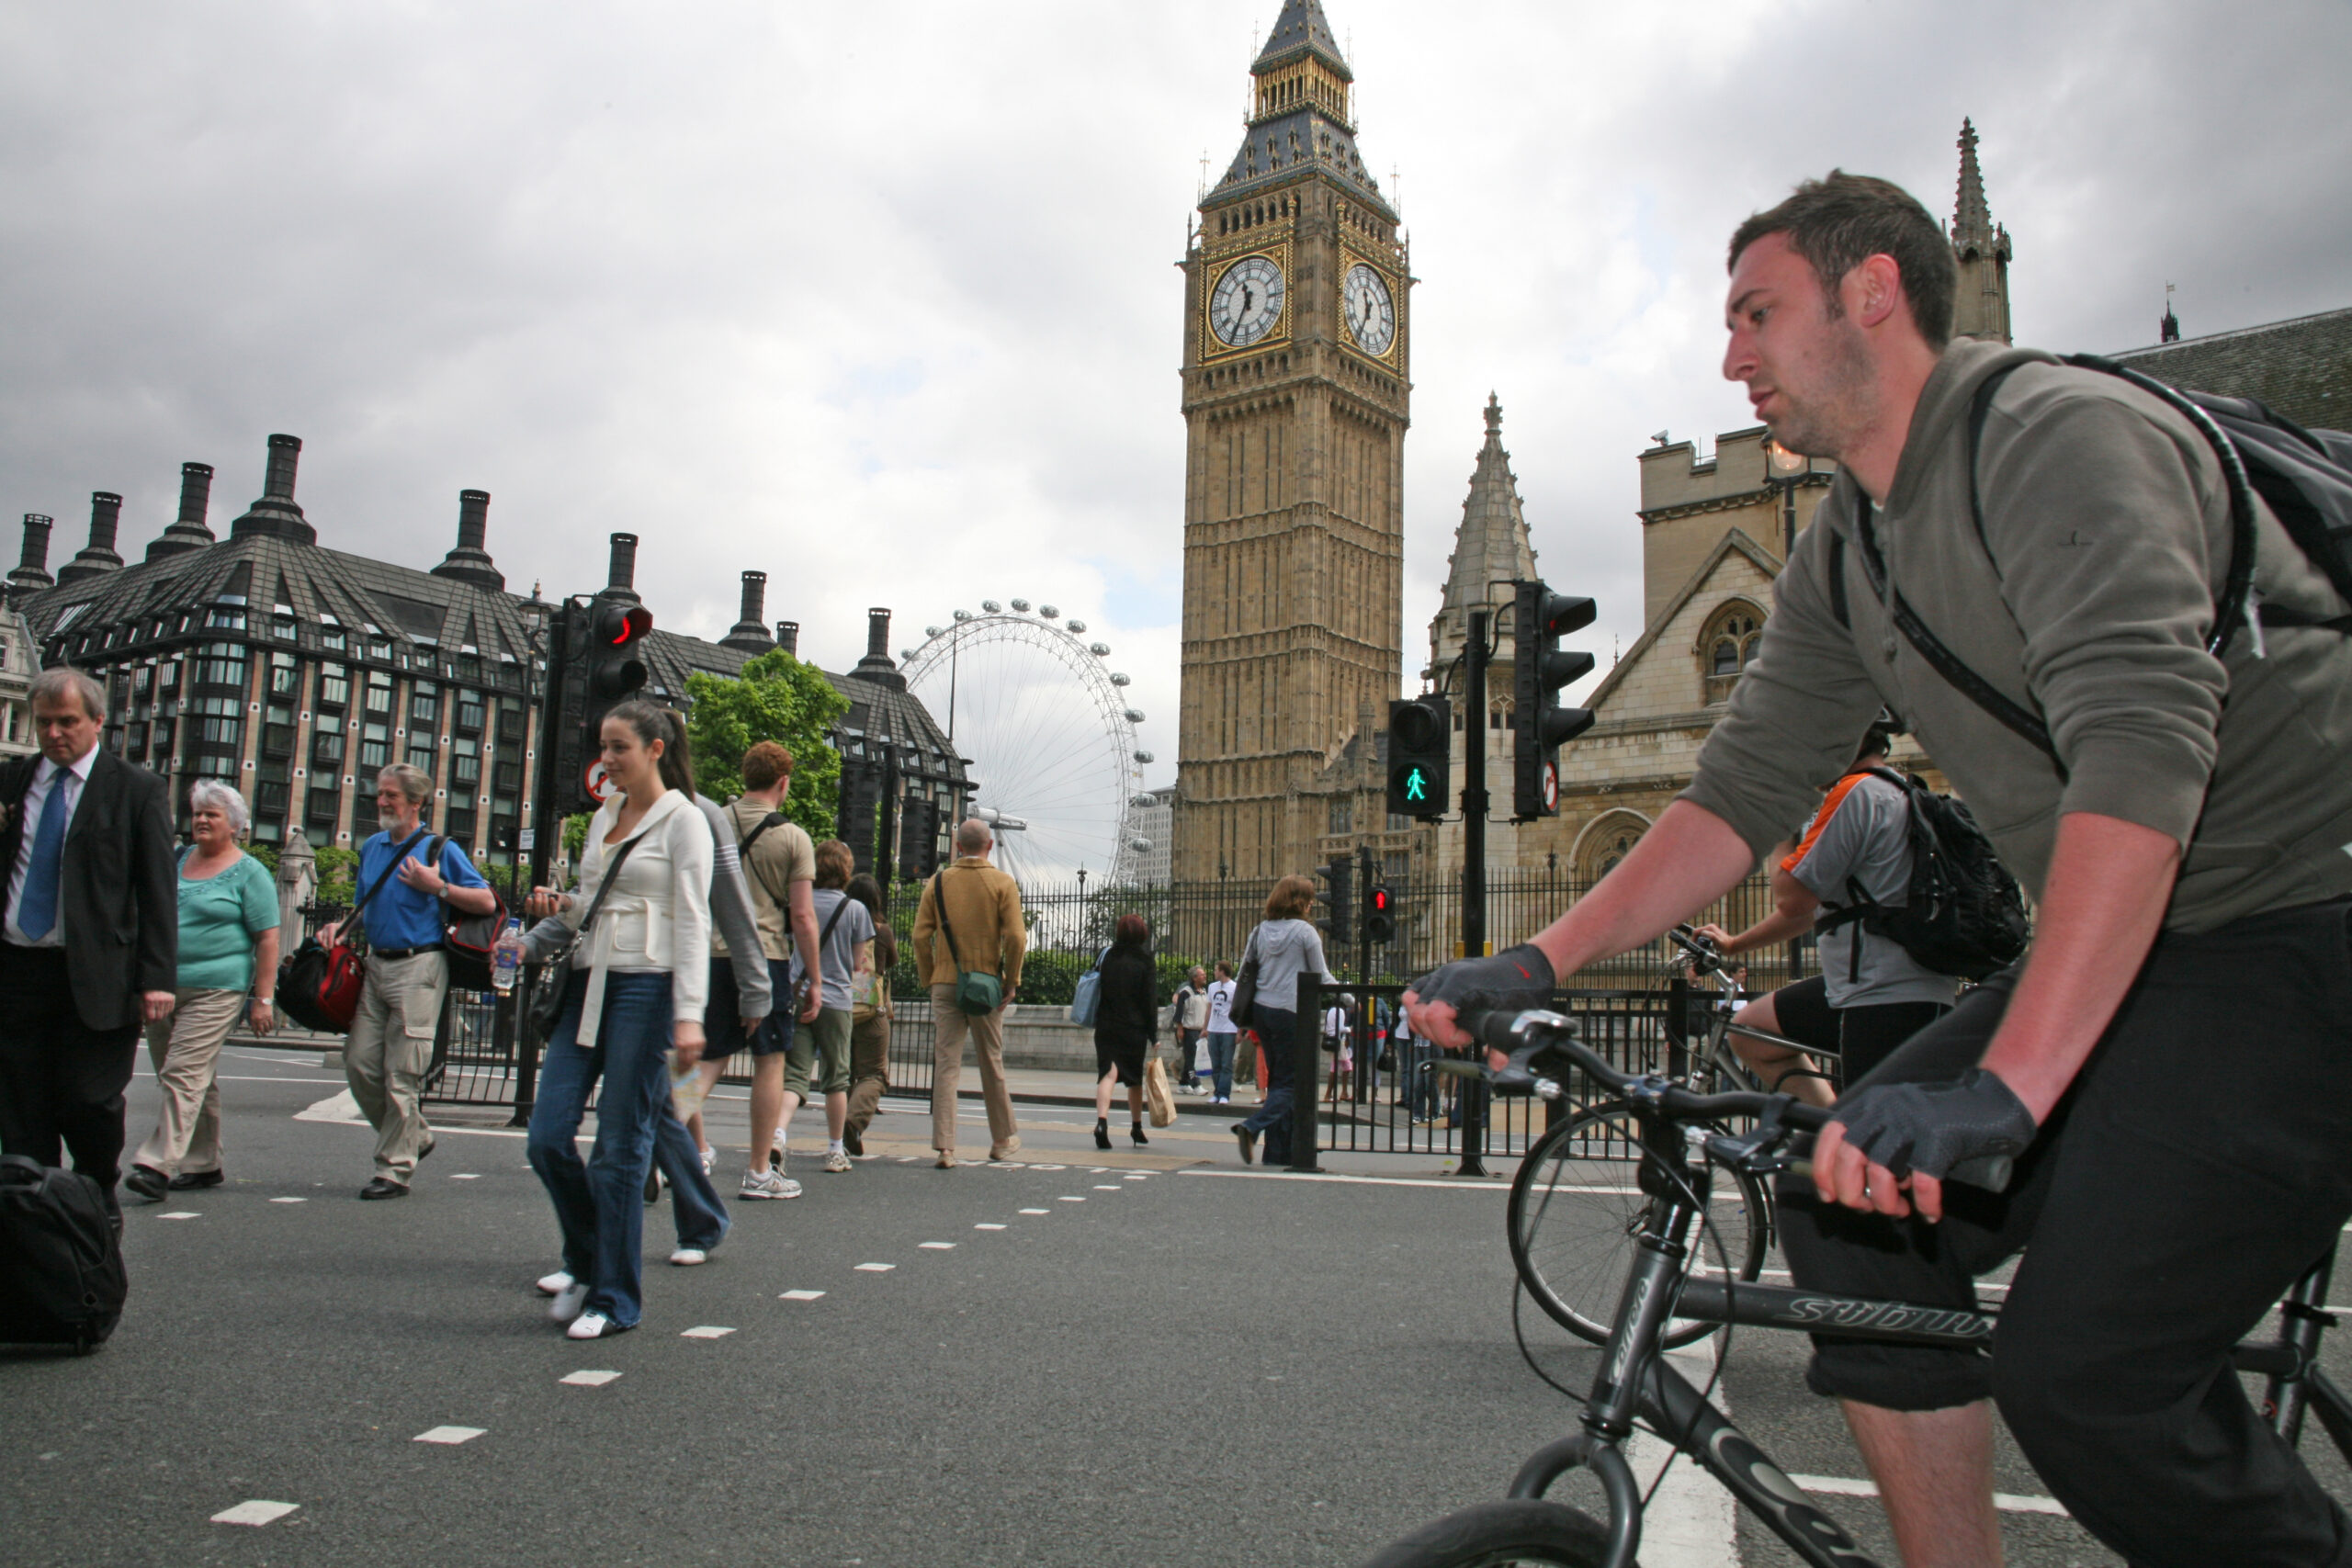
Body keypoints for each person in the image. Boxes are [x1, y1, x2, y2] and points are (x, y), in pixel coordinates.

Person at [1406, 171, 2352, 1568]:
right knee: (1842, 1208)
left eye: (1754, 313)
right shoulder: (1853, 544)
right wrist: (1541, 957)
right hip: (2151, 944)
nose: (1729, 357)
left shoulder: (2054, 438)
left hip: (2301, 928)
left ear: (1873, 295)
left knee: (2089, 1372)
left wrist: (2007, 1082)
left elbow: (2144, 759)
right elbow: (1734, 797)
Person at [522, 701, 713, 1339]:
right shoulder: (602, 815)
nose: (606, 758)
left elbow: (693, 921)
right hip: (587, 980)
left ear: (656, 748)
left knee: (621, 1149)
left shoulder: (684, 821)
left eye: (619, 746)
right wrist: (558, 908)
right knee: (547, 1135)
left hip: (649, 987)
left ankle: (614, 1296)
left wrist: (689, 1015)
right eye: (603, 745)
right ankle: (585, 1257)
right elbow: (592, 906)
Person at [1693, 719, 1957, 1109]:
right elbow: (1812, 910)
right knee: (1750, 1030)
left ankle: (1834, 1138)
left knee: (1871, 1141)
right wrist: (1735, 945)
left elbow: (1790, 895)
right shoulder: (1903, 791)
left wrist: (1781, 826)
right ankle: (1824, 1127)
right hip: (1894, 986)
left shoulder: (1854, 792)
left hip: (1881, 994)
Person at [0, 668, 176, 1223]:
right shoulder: (12, 782)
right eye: (45, 722)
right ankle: (35, 1226)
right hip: (16, 969)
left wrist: (157, 978)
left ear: (98, 721)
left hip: (99, 975)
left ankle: (96, 1196)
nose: (54, 733)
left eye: (67, 722)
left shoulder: (135, 789)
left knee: (89, 1101)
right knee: (20, 1115)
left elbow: (157, 891)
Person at [320, 763, 496, 1200]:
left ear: (416, 802)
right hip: (376, 964)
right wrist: (339, 929)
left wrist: (437, 887)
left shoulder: (439, 848)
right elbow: (364, 906)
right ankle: (414, 1134)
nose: (382, 802)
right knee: (359, 1062)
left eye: (391, 796)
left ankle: (393, 1170)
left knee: (403, 1071)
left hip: (421, 966)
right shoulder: (373, 847)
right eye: (380, 794)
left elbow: (486, 900)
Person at [124, 781, 280, 1201]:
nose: (202, 820)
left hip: (217, 988)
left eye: (212, 814)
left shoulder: (251, 873)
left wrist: (262, 1000)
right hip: (164, 986)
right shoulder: (175, 861)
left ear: (236, 825)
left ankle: (157, 1163)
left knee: (182, 1071)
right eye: (197, 813)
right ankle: (204, 1162)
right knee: (187, 1076)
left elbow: (267, 938)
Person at [684, 739, 820, 1202]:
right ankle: (759, 1171)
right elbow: (802, 917)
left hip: (712, 954)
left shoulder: (710, 822)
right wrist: (815, 979)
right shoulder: (793, 837)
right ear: (783, 782)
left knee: (707, 1059)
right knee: (770, 1061)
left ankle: (668, 1133)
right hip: (767, 955)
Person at [910, 817, 1027, 1168]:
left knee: (947, 1063)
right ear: (989, 845)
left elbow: (919, 937)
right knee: (991, 1060)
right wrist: (1011, 981)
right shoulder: (1002, 882)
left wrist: (930, 976)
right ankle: (1001, 1140)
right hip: (985, 983)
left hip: (946, 981)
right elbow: (1017, 938)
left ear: (958, 845)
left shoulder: (938, 881)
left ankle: (945, 1147)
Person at [779, 840, 874, 1175]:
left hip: (799, 995)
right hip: (835, 998)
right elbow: (857, 961)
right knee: (836, 1079)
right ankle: (835, 1150)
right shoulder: (855, 910)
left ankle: (777, 1134)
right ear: (846, 870)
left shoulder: (798, 902)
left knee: (794, 1075)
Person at [1231, 875, 1335, 1166]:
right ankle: (1252, 1127)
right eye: (1310, 898)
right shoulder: (1305, 932)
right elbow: (1321, 976)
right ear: (1300, 901)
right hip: (1292, 1012)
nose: (1313, 903)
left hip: (1263, 1012)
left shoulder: (1260, 931)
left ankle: (1278, 1151)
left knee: (1278, 1082)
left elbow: (1243, 973)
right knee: (1293, 1084)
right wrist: (1353, 1000)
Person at [1090, 914, 1159, 1148]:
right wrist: (1153, 1034)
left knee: (1107, 1074)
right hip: (1134, 1027)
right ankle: (1136, 1127)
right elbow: (1150, 1001)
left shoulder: (1107, 955)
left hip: (1106, 1024)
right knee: (1133, 1079)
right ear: (1142, 934)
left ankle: (1101, 1122)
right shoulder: (1145, 961)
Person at [841, 872, 896, 1158]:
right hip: (870, 1006)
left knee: (846, 1072)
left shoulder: (839, 923)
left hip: (838, 1004)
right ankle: (853, 1122)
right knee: (874, 1073)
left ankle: (839, 1133)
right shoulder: (882, 930)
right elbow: (890, 962)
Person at [1168, 966, 1210, 1092]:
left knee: (1190, 1057)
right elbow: (1179, 1013)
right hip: (1189, 1029)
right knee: (1193, 1058)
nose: (1205, 976)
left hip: (1200, 1029)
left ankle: (1184, 1083)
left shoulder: (1204, 991)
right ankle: (1196, 1083)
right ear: (1194, 978)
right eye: (1202, 975)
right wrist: (1180, 1029)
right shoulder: (1186, 993)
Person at [1201, 960, 1238, 1104]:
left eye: (1216, 970)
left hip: (1229, 1029)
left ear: (1222, 971)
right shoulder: (1212, 987)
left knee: (1226, 1064)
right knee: (1215, 1064)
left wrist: (1239, 1030)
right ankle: (1217, 1092)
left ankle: (1224, 1094)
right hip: (1214, 1028)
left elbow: (1238, 1010)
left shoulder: (1234, 987)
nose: (1214, 972)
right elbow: (1209, 1008)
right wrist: (1205, 1027)